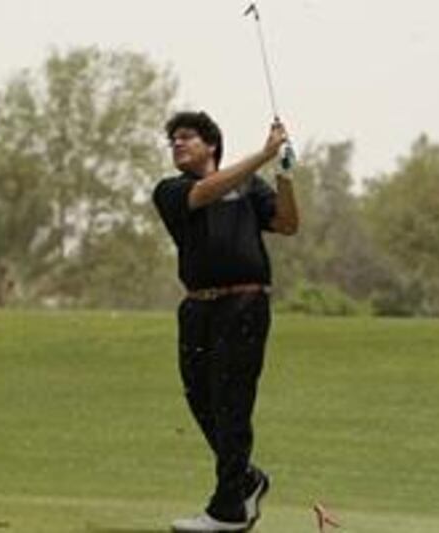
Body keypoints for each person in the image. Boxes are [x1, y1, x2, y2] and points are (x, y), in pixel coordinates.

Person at [152, 111, 299, 532]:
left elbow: (288, 224)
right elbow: (206, 193)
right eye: (174, 140)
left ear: (212, 145)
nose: (178, 144)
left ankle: (228, 509)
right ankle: (246, 480)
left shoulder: (251, 188)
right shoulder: (171, 190)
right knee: (202, 400)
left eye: (187, 138)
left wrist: (284, 176)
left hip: (244, 305)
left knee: (232, 402)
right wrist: (264, 154)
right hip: (197, 308)